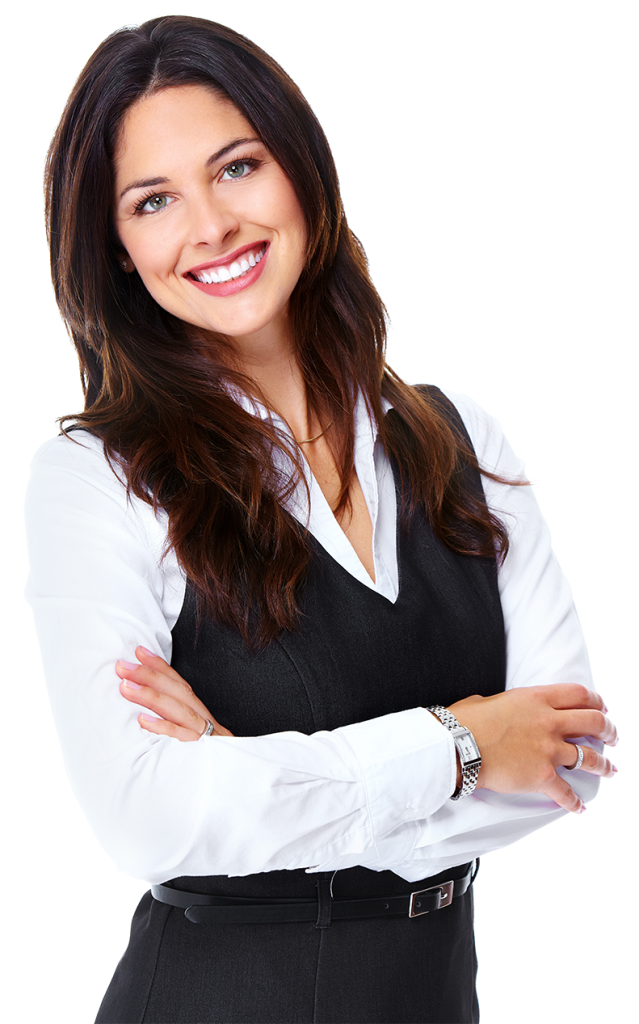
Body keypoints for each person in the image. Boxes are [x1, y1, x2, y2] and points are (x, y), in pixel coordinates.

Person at [24, 14, 619, 1024]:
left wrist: (248, 776)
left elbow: (571, 758)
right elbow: (144, 819)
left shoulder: (462, 438)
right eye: (154, 200)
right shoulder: (96, 478)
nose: (211, 225)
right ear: (117, 249)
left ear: (302, 171)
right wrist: (464, 743)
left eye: (237, 167)